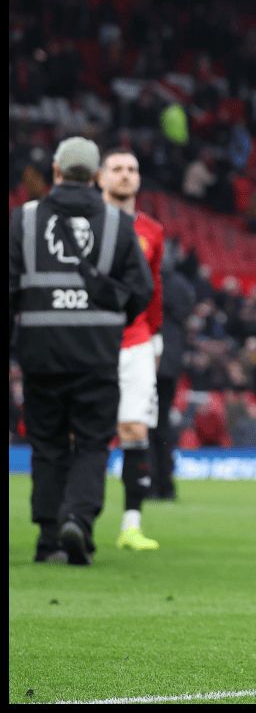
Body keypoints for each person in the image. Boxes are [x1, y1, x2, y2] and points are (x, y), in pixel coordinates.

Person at [9, 137, 153, 565]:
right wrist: (111, 322)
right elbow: (141, 291)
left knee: (48, 444)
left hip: (40, 354)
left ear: (56, 170)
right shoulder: (118, 224)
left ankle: (49, 535)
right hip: (96, 355)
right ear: (95, 176)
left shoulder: (23, 221)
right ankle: (79, 519)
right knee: (91, 443)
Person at [97, 148, 165, 551]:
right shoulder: (85, 226)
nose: (125, 175)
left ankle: (131, 524)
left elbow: (154, 287)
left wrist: (156, 335)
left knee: (135, 429)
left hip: (137, 340)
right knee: (81, 432)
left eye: (132, 169)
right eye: (118, 169)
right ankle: (75, 514)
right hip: (91, 339)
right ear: (101, 177)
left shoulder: (152, 230)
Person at [149, 265, 195, 501]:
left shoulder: (147, 277)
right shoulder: (179, 284)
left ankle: (152, 481)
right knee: (162, 423)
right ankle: (166, 483)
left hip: (148, 358)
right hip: (170, 361)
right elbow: (189, 306)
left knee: (148, 423)